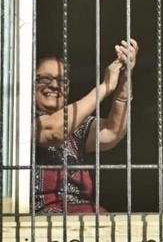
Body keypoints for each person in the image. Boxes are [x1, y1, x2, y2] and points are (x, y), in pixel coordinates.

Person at [34, 39, 138, 213]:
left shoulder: (75, 128)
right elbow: (52, 131)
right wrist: (105, 87)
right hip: (42, 222)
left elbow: (112, 132)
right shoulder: (18, 119)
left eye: (62, 81)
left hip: (83, 218)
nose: (54, 85)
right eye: (44, 79)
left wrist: (125, 78)